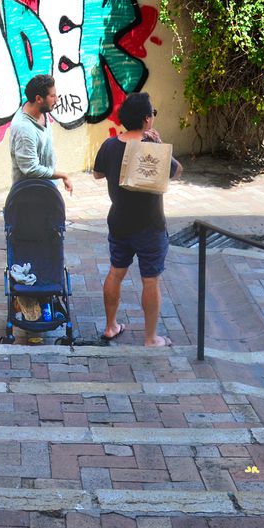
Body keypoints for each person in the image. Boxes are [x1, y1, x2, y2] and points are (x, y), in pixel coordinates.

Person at [93, 92, 182, 347]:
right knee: (150, 278)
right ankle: (150, 338)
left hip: (119, 221)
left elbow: (98, 174)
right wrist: (159, 144)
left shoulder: (110, 145)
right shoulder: (151, 145)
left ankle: (110, 326)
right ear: (146, 119)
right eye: (152, 114)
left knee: (116, 272)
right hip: (150, 224)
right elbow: (177, 171)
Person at [9, 74, 73, 194]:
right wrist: (63, 175)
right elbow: (31, 169)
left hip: (45, 187)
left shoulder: (42, 111)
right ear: (39, 99)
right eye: (52, 96)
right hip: (29, 195)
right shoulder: (24, 129)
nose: (57, 99)